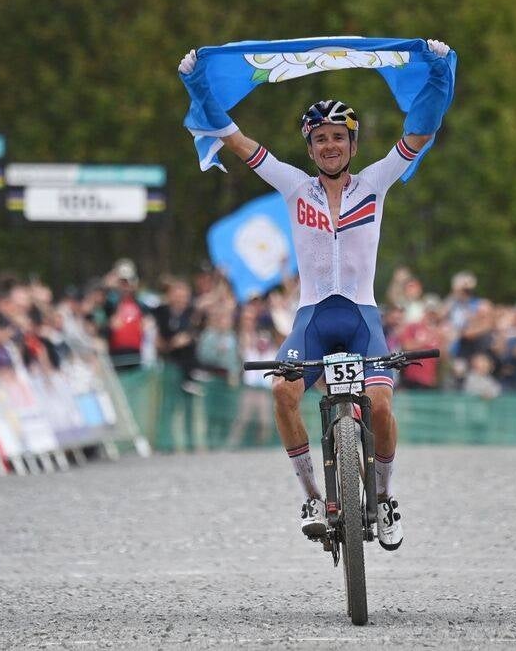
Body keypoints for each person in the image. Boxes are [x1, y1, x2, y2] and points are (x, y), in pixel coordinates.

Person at [178, 38, 454, 551]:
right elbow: (234, 138)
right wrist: (196, 81)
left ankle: (385, 496)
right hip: (310, 319)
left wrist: (438, 72)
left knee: (379, 404)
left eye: (338, 137)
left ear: (352, 145)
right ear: (309, 148)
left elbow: (422, 129)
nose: (329, 145)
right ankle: (312, 496)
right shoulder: (292, 186)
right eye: (320, 138)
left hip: (361, 316)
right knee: (282, 391)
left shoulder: (375, 182)